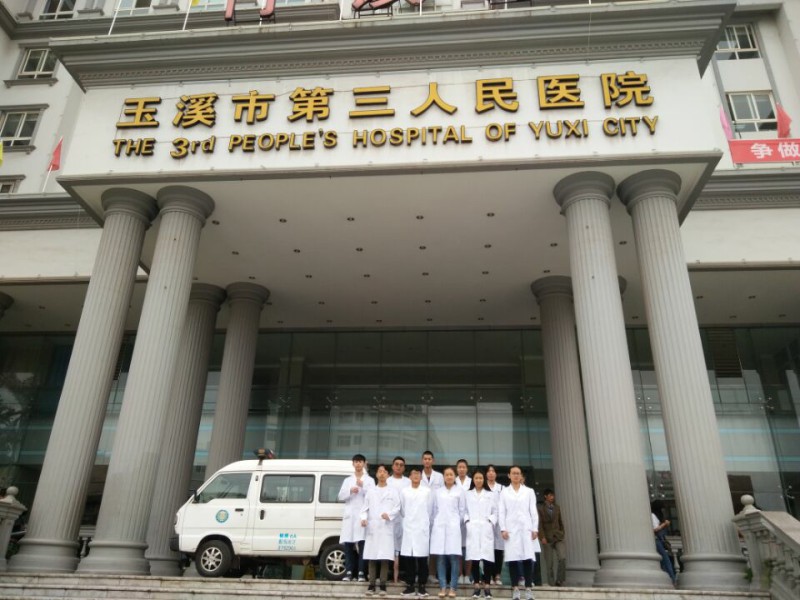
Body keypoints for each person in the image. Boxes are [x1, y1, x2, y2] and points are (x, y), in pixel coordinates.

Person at [499, 466, 538, 600]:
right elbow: (502, 511)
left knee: (528, 559)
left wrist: (535, 528)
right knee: (513, 559)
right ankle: (515, 588)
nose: (516, 475)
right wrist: (503, 528)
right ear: (509, 475)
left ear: (521, 476)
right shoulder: (504, 492)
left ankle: (528, 589)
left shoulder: (529, 491)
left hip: (526, 529)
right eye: (513, 473)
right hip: (511, 530)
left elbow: (533, 511)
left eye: (518, 473)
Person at [361, 464, 401, 596]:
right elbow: (364, 508)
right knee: (372, 557)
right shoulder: (371, 491)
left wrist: (389, 515)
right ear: (377, 475)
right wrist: (364, 518)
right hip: (373, 527)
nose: (382, 473)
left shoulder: (393, 491)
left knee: (384, 557)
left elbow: (397, 507)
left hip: (386, 527)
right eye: (380, 471)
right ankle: (371, 585)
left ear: (388, 475)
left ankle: (383, 585)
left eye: (384, 471)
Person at [338, 453, 375, 582]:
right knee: (348, 544)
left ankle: (361, 572)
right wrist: (350, 491)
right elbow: (340, 496)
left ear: (364, 463)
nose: (358, 464)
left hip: (363, 516)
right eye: (356, 461)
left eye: (360, 462)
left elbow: (373, 497)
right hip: (350, 517)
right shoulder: (347, 480)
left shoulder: (369, 480)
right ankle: (348, 572)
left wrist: (363, 487)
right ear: (353, 464)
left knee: (363, 544)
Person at [431, 466, 466, 598]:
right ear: (444, 477)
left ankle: (453, 587)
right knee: (440, 558)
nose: (449, 477)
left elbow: (462, 510)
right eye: (447, 475)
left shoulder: (460, 491)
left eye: (451, 474)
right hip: (440, 527)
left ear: (454, 476)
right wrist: (438, 522)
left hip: (453, 528)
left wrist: (456, 522)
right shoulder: (438, 492)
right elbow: (434, 510)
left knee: (454, 558)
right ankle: (443, 586)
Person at [400, 467, 434, 597]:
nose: (415, 476)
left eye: (418, 474)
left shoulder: (427, 492)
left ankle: (422, 586)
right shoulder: (404, 491)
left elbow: (430, 510)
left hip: (421, 529)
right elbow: (402, 510)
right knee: (408, 559)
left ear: (421, 477)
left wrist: (423, 523)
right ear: (409, 476)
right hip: (409, 528)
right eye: (413, 474)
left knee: (422, 560)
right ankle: (409, 586)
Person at [465, 469, 497, 598]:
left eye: (481, 478)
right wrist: (467, 522)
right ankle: (477, 586)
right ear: (473, 480)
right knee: (475, 558)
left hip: (485, 528)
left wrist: (490, 522)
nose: (478, 480)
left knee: (487, 558)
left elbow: (495, 511)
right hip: (473, 528)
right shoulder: (467, 494)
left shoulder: (490, 494)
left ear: (484, 480)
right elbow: (464, 511)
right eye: (476, 478)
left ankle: (487, 586)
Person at [388, 456, 411, 584]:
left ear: (404, 468)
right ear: (392, 466)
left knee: (404, 547)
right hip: (389, 520)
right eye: (396, 464)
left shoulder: (408, 482)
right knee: (388, 547)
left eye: (401, 465)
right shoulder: (387, 481)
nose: (398, 467)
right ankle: (388, 574)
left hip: (404, 519)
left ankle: (403, 575)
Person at [537, 488, 565, 587]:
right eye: (550, 495)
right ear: (546, 496)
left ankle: (559, 580)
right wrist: (542, 537)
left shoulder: (557, 507)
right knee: (549, 563)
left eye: (553, 495)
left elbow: (560, 521)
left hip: (558, 536)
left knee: (562, 558)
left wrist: (562, 533)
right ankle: (551, 583)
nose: (552, 497)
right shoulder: (540, 509)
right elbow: (539, 524)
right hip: (547, 537)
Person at [485, 465, 504, 585]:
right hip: (486, 521)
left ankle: (497, 575)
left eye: (493, 471)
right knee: (488, 549)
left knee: (498, 550)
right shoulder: (483, 487)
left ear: (496, 474)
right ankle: (488, 576)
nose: (491, 473)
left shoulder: (501, 488)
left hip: (499, 523)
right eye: (489, 471)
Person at [651, 500, 677, 585]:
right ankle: (672, 579)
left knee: (664, 561)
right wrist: (664, 524)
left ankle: (670, 579)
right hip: (657, 540)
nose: (663, 510)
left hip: (660, 540)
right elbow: (655, 529)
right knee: (666, 560)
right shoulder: (653, 515)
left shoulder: (657, 516)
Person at [455, 458, 472, 584]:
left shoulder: (471, 481)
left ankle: (468, 575)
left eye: (463, 467)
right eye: (459, 467)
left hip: (470, 517)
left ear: (467, 469)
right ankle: (460, 574)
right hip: (456, 518)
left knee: (470, 548)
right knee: (458, 549)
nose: (461, 469)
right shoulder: (453, 481)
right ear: (457, 469)